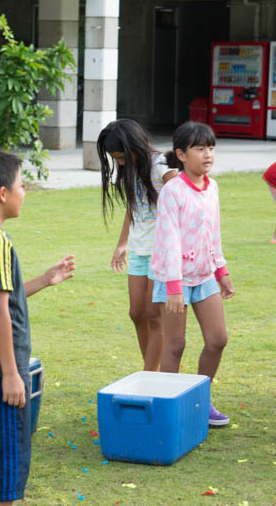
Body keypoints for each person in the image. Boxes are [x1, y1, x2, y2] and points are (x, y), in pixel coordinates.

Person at [0, 150, 75, 505]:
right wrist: (13, 374)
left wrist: (45, 279)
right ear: (2, 193)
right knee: (5, 468)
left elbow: (3, 297)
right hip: (0, 370)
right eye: (20, 185)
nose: (24, 191)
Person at [150, 121, 235, 426]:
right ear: (181, 155)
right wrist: (173, 287)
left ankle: (200, 399)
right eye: (200, 148)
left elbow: (213, 232)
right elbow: (169, 239)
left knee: (218, 339)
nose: (207, 154)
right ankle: (167, 408)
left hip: (204, 276)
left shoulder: (212, 187)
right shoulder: (172, 190)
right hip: (174, 280)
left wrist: (221, 269)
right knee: (175, 344)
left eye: (210, 147)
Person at [98, 119, 176, 371]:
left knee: (155, 317)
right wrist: (122, 244)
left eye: (120, 157)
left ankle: (152, 376)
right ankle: (153, 369)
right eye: (115, 158)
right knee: (136, 313)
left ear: (134, 146)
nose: (119, 163)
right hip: (140, 248)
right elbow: (134, 206)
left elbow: (180, 190)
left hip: (160, 251)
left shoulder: (159, 166)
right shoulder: (132, 168)